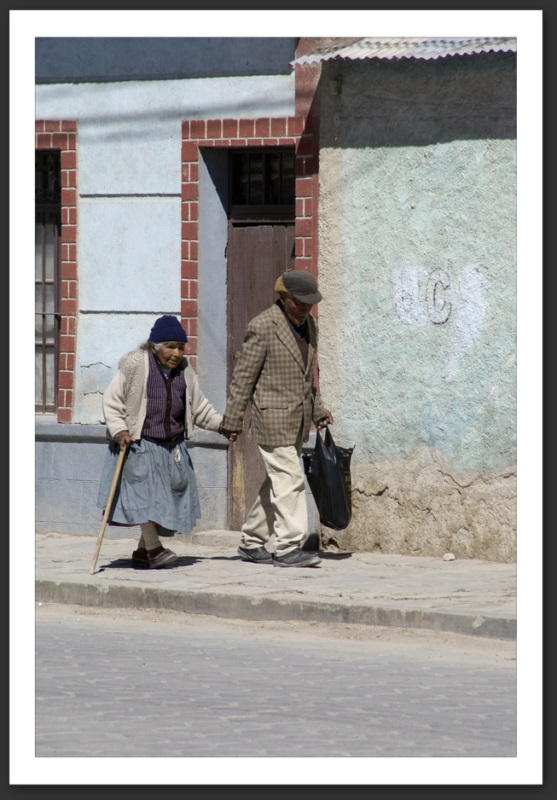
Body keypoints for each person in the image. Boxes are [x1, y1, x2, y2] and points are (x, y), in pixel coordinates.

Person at [97, 315, 236, 569]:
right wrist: (119, 431)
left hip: (171, 447)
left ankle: (142, 552)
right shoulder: (136, 365)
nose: (176, 353)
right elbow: (112, 400)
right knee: (145, 498)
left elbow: (199, 407)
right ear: (155, 346)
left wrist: (222, 426)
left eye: (181, 347)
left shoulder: (185, 372)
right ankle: (154, 549)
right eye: (171, 346)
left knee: (163, 501)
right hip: (140, 444)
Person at [221, 269, 334, 568]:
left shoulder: (310, 325)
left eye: (310, 304)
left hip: (296, 420)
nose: (305, 310)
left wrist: (318, 410)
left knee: (278, 482)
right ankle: (287, 546)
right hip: (271, 418)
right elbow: (243, 378)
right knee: (290, 479)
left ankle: (251, 541)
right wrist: (232, 420)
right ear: (284, 298)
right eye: (300, 303)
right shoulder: (262, 326)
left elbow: (308, 377)